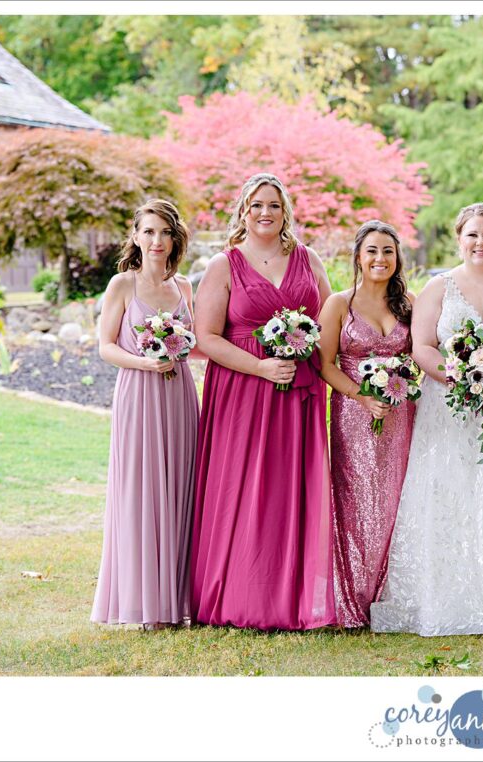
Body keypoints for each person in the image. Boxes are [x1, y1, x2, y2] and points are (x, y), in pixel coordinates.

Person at [370, 203, 483, 636]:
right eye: (472, 235)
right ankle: (458, 593)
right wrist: (461, 379)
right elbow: (423, 347)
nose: (480, 243)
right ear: (459, 239)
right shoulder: (439, 287)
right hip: (451, 407)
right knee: (455, 496)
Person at [189, 173, 336, 631]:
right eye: (256, 205)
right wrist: (261, 367)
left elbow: (330, 319)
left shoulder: (308, 259)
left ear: (285, 210)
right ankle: (239, 595)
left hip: (298, 391)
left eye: (273, 205)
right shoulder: (224, 264)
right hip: (242, 393)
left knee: (290, 489)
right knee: (244, 488)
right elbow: (206, 337)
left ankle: (291, 599)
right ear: (243, 211)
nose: (265, 213)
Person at [91, 199, 198, 628]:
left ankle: (177, 599)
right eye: (149, 231)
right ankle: (146, 604)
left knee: (180, 486)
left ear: (175, 239)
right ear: (136, 237)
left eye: (165, 232)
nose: (157, 240)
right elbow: (105, 346)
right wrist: (146, 362)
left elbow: (199, 341)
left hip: (180, 398)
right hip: (139, 394)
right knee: (142, 490)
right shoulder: (122, 285)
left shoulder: (185, 288)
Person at [318, 220, 417, 628]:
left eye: (388, 251)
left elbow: (422, 352)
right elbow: (324, 364)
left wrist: (400, 391)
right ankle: (351, 598)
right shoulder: (339, 304)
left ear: (397, 258)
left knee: (397, 500)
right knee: (354, 500)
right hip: (352, 415)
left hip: (401, 415)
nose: (380, 259)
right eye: (372, 250)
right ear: (358, 256)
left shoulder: (410, 303)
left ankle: (390, 597)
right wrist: (363, 397)